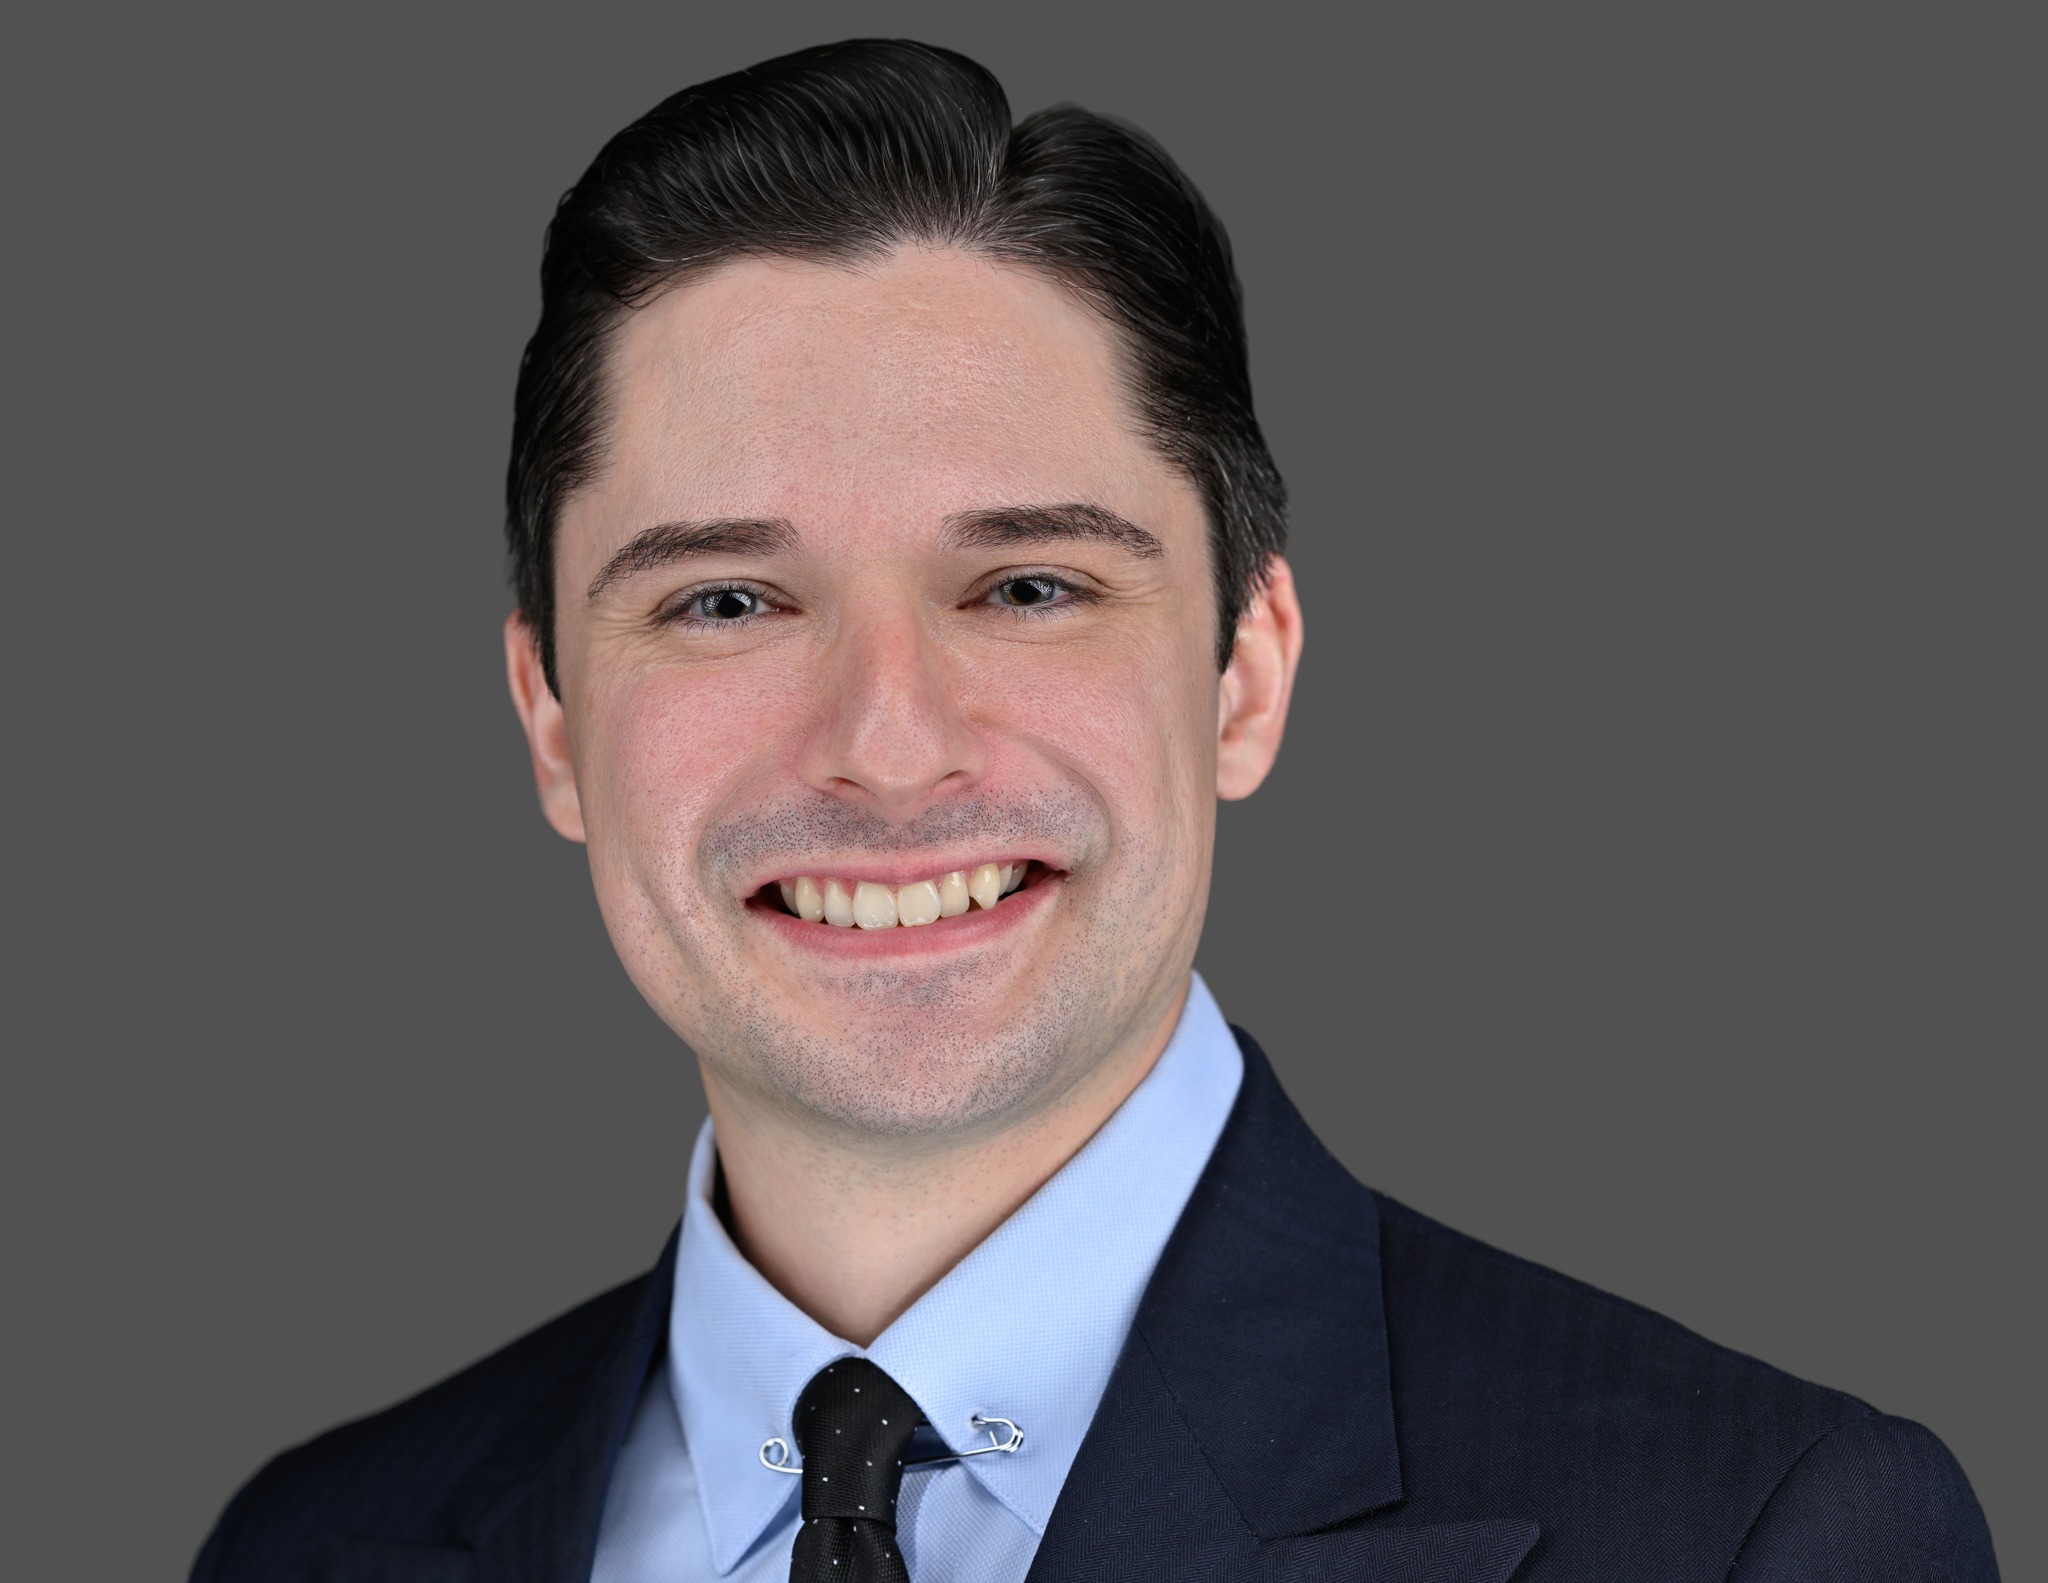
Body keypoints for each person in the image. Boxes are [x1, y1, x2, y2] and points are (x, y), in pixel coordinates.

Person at [191, 38, 1998, 1583]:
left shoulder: (1750, 1533)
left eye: (1030, 587)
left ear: (1247, 671)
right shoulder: (310, 1544)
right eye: (727, 601)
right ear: (552, 720)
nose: (889, 750)